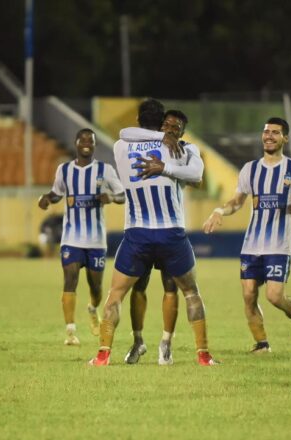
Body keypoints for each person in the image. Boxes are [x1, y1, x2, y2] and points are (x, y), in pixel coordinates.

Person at [89, 99, 218, 366]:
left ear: (138, 120)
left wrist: (162, 153)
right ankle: (203, 355)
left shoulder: (121, 146)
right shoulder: (180, 148)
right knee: (191, 292)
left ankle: (103, 355)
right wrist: (166, 141)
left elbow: (126, 133)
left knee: (115, 295)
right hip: (171, 233)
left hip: (137, 234)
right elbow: (196, 174)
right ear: (161, 124)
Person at [202, 117, 291, 353]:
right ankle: (262, 344)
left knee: (274, 296)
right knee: (249, 296)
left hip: (279, 246)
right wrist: (219, 210)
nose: (269, 136)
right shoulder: (250, 169)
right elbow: (237, 201)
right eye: (266, 132)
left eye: (275, 132)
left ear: (285, 138)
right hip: (251, 245)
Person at [119, 110, 193, 366]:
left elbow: (196, 175)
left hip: (169, 229)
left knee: (170, 287)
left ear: (182, 132)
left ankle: (166, 344)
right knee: (138, 286)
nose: (170, 129)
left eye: (176, 126)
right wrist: (160, 136)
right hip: (140, 230)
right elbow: (125, 133)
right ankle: (138, 341)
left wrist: (168, 166)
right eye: (166, 124)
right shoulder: (138, 144)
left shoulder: (182, 151)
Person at [38, 128, 124, 346]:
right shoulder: (64, 170)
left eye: (91, 140)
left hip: (95, 241)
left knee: (96, 288)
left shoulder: (105, 170)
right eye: (83, 139)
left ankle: (93, 308)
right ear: (76, 143)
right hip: (71, 239)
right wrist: (46, 198)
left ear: (94, 145)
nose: (87, 143)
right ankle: (70, 332)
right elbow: (57, 193)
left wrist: (110, 197)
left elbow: (123, 195)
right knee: (70, 280)